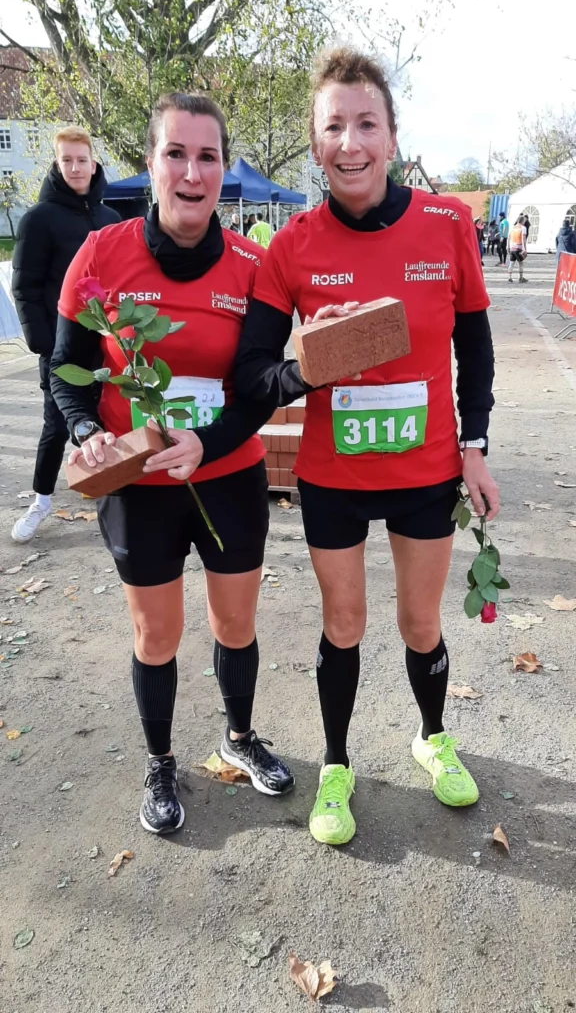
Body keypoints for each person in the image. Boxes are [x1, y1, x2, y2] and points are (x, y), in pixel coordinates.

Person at [235, 47, 499, 846]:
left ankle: (430, 736)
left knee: (421, 623)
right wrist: (305, 367)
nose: (349, 143)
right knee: (343, 622)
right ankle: (339, 763)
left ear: (390, 137)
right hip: (335, 478)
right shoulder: (292, 248)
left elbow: (475, 347)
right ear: (315, 145)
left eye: (365, 124)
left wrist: (477, 445)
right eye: (333, 128)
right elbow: (255, 374)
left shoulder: (448, 223)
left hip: (426, 471)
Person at [50, 93, 294, 835]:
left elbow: (257, 385)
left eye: (208, 156)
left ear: (223, 167)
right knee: (155, 634)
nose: (192, 171)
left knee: (235, 623)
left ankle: (240, 738)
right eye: (176, 154)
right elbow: (66, 365)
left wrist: (208, 443)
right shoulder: (101, 255)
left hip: (227, 478)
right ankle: (160, 760)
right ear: (152, 164)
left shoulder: (254, 264)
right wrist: (87, 426)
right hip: (138, 484)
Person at [10, 126, 121, 544]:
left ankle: (107, 487)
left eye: (82, 160)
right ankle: (41, 500)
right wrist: (45, 344)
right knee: (56, 425)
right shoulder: (38, 218)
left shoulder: (110, 219)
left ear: (94, 164)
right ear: (57, 165)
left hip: (106, 342)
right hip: (60, 346)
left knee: (107, 416)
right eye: (67, 161)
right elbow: (25, 286)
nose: (76, 168)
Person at [508, 216, 528, 283]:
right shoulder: (523, 228)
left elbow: (509, 238)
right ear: (522, 221)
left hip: (512, 248)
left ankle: (510, 277)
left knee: (511, 263)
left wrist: (508, 247)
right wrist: (524, 248)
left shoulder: (512, 227)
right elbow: (523, 238)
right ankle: (521, 277)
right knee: (521, 263)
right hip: (518, 248)